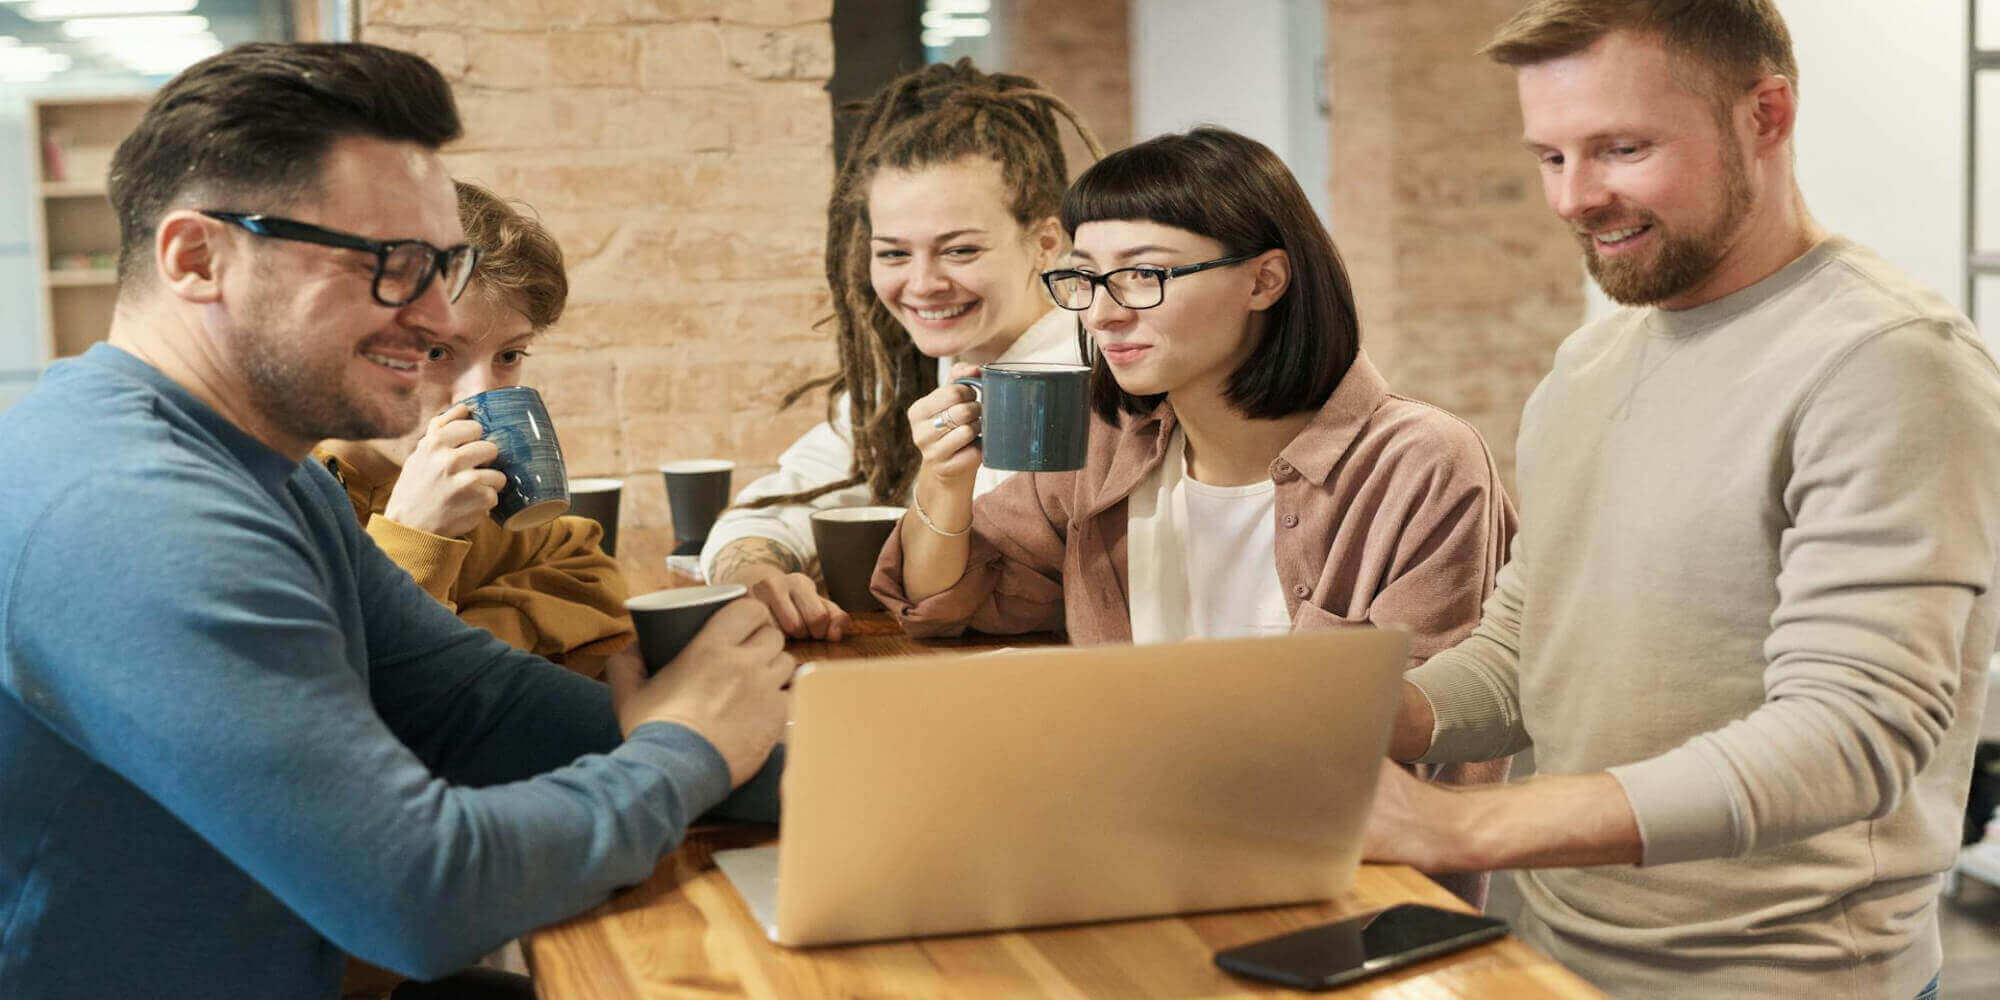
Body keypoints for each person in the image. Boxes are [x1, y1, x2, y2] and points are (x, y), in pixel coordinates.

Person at [0, 43, 791, 999]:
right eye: (390, 265)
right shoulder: (132, 512)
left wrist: (814, 767)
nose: (430, 313)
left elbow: (474, 705)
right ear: (198, 258)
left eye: (440, 262)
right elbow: (423, 892)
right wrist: (689, 748)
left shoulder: (271, 470)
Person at [1360, 3, 2000, 998]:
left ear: (1766, 115)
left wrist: (1458, 824)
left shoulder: (1886, 364)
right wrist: (1350, 716)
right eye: (1548, 157)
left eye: (1619, 148)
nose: (1574, 196)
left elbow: (1850, 733)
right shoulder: (1588, 363)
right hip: (1551, 955)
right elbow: (1532, 653)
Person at [871, 126, 1517, 905]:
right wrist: (944, 485)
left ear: (1265, 280)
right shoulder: (1110, 441)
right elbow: (951, 609)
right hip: (1119, 857)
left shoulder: (1418, 462)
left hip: (1343, 894)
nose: (1104, 315)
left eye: (1146, 275)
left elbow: (1413, 737)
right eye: (1084, 279)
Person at [700, 59, 1100, 640]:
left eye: (959, 251)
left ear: (1044, 242)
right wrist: (757, 571)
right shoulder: (915, 376)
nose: (921, 284)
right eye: (892, 253)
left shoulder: (1112, 367)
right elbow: (770, 508)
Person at [315, 180, 631, 678]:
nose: (477, 394)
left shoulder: (482, 493)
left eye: (509, 355)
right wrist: (414, 537)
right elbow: (336, 687)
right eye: (436, 352)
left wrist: (474, 636)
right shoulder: (282, 494)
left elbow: (592, 577)